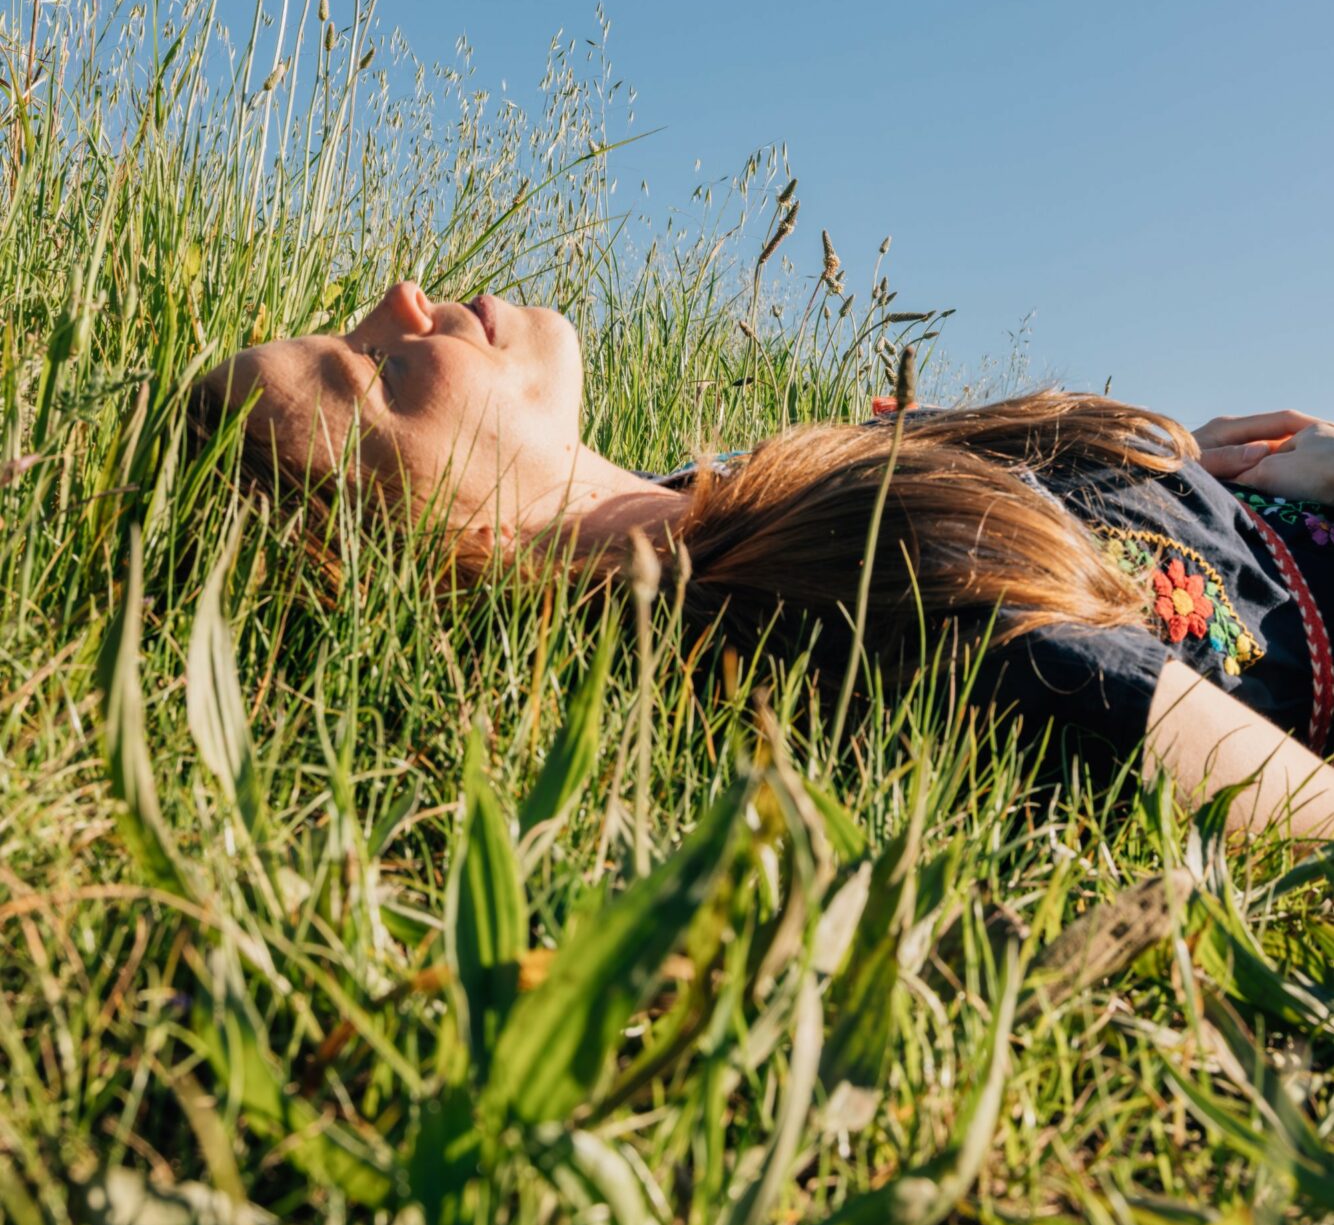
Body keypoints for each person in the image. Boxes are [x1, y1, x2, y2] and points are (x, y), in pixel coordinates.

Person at [196, 280, 1334, 839]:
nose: (399, 302)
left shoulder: (729, 496)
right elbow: (1292, 811)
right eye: (374, 371)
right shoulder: (848, 598)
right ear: (469, 547)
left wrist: (1190, 463)